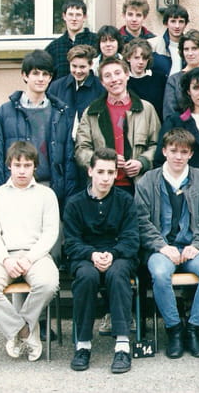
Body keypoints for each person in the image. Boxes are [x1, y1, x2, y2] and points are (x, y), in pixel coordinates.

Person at [136, 128, 199, 359]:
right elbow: (141, 220)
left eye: (184, 152)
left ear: (191, 154)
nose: (178, 156)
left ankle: (194, 328)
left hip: (192, 246)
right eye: (173, 151)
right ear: (164, 151)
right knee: (160, 273)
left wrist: (198, 244)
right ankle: (174, 329)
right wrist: (161, 246)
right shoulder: (148, 180)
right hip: (161, 248)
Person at [0, 141, 59, 363]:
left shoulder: (47, 195)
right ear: (9, 166)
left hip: (37, 256)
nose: (22, 170)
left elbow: (50, 233)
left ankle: (21, 328)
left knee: (48, 284)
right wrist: (5, 260)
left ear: (35, 167)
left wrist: (29, 258)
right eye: (17, 165)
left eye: (27, 165)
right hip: (4, 256)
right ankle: (24, 331)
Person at [64, 147, 140, 373]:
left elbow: (131, 239)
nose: (105, 178)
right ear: (90, 171)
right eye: (100, 172)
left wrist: (113, 254)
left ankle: (122, 346)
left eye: (110, 172)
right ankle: (83, 345)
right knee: (86, 276)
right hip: (85, 256)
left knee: (118, 274)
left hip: (119, 255)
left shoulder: (125, 201)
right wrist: (92, 255)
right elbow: (71, 242)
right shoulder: (75, 203)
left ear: (116, 174)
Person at [0, 49, 75, 212]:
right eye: (35, 73)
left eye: (45, 74)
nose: (41, 78)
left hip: (50, 190)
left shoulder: (61, 113)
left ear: (50, 77)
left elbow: (69, 159)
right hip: (15, 190)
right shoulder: (6, 112)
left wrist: (69, 203)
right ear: (25, 76)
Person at [75, 57, 160, 195]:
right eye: (107, 76)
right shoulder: (92, 112)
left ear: (127, 75)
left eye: (117, 73)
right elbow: (81, 149)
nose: (114, 79)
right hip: (102, 187)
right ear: (102, 82)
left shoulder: (146, 109)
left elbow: (157, 145)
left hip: (139, 186)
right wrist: (104, 161)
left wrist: (143, 162)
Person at [47, 44, 105, 141]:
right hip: (61, 142)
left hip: (91, 142)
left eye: (82, 67)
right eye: (74, 66)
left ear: (91, 64)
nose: (78, 71)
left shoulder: (101, 88)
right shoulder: (56, 87)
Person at [45, 0, 98, 79]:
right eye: (70, 14)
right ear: (64, 16)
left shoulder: (96, 41)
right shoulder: (54, 47)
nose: (74, 19)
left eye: (78, 15)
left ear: (84, 17)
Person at [123, 38, 167, 121]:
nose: (141, 62)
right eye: (136, 58)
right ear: (128, 58)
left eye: (144, 58)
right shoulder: (123, 80)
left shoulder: (160, 78)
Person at [150, 3, 188, 77]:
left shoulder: (190, 46)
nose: (177, 26)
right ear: (166, 23)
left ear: (185, 24)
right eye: (173, 21)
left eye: (181, 21)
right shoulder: (153, 45)